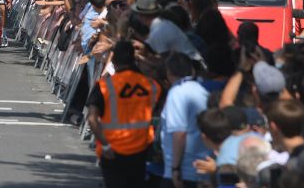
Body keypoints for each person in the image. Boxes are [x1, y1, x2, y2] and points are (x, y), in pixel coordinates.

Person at [87, 41, 162, 188]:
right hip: (140, 150)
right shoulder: (151, 85)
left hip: (112, 151)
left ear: (114, 60)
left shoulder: (105, 86)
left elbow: (92, 118)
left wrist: (106, 145)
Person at [161, 52, 211, 188]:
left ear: (168, 72)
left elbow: (179, 133)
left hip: (184, 169)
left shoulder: (177, 93)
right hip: (201, 166)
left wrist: (175, 168)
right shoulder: (203, 91)